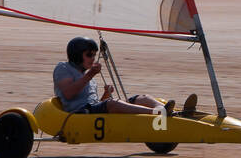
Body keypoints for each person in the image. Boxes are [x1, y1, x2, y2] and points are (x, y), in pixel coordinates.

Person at [53, 37, 195, 116]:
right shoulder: (63, 68)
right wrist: (90, 75)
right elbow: (69, 93)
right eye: (89, 55)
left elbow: (97, 103)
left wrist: (105, 94)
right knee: (114, 103)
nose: (93, 58)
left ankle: (171, 112)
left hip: (93, 108)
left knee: (143, 97)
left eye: (94, 55)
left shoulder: (87, 76)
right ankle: (158, 113)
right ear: (77, 55)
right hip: (79, 114)